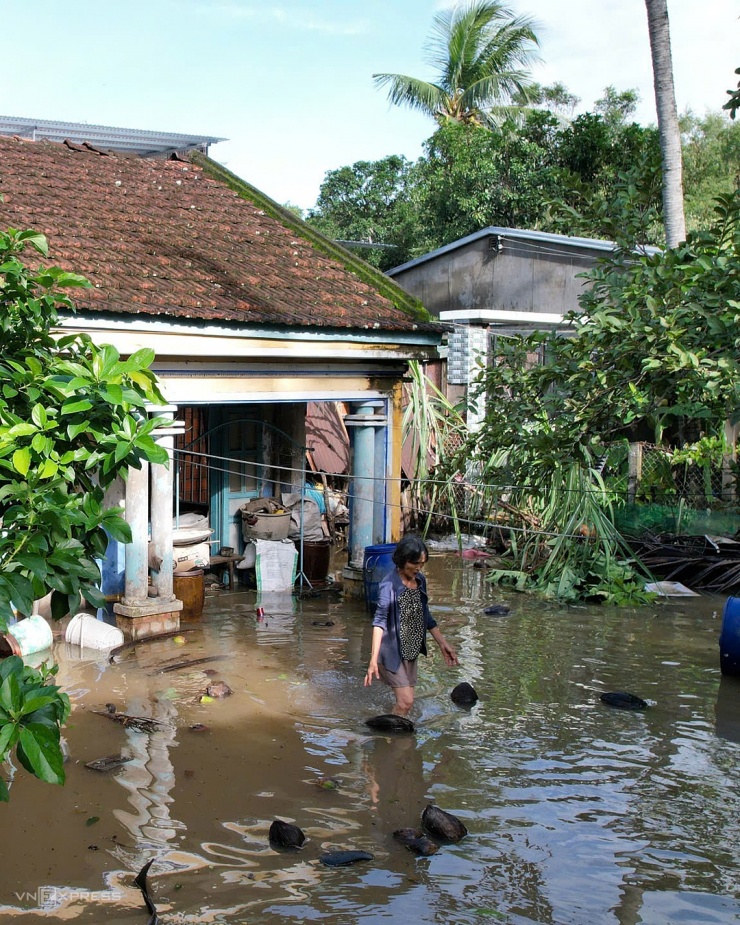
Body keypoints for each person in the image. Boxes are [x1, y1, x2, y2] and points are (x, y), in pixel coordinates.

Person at [364, 535, 459, 716]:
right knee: (406, 701)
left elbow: (425, 615)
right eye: (415, 563)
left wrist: (442, 644)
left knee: (407, 703)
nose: (418, 568)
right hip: (391, 651)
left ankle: (396, 732)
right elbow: (379, 622)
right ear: (402, 560)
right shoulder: (389, 585)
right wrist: (373, 659)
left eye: (421, 564)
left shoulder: (420, 581)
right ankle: (386, 738)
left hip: (411, 649)